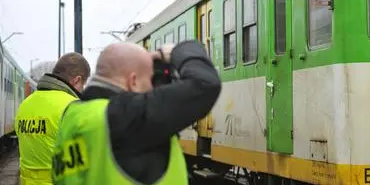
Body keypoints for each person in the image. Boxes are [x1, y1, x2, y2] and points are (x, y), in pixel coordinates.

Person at [52, 40, 221, 185]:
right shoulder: (124, 116)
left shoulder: (72, 114)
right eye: (149, 79)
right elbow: (205, 84)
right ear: (133, 81)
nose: (151, 89)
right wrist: (180, 50)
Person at [15, 52, 91, 185]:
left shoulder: (25, 105)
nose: (82, 89)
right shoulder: (73, 107)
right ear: (77, 80)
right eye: (82, 85)